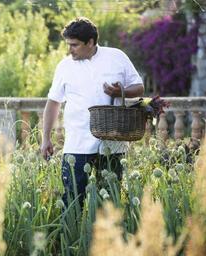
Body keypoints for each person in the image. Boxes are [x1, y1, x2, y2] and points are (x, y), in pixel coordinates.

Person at [40, 17, 144, 208]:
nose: (70, 50)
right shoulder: (64, 66)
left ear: (90, 42)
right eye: (68, 44)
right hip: (77, 144)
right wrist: (45, 138)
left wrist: (119, 92)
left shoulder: (116, 57)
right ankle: (70, 238)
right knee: (72, 201)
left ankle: (106, 238)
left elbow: (139, 88)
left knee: (109, 203)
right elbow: (53, 103)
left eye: (74, 45)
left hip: (112, 143)